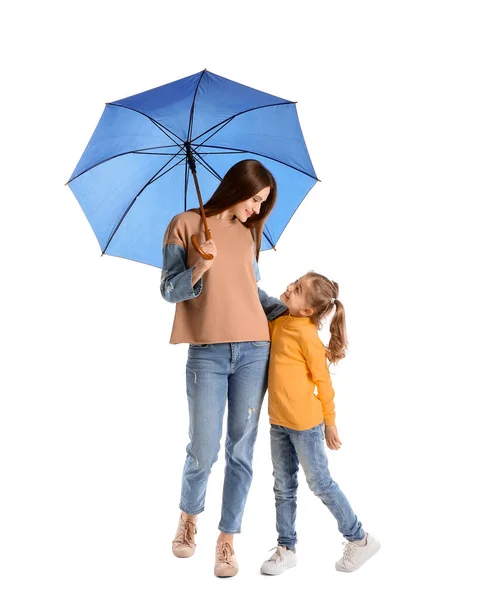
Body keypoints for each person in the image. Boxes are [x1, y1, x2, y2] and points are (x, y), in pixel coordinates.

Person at [160, 159, 287, 578]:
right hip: (208, 353)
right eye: (255, 199)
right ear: (238, 188)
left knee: (241, 451)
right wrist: (200, 266)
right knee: (204, 447)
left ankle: (227, 539)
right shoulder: (183, 224)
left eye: (262, 203)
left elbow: (249, 289)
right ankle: (188, 519)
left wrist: (289, 310)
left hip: (255, 349)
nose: (257, 209)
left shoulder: (250, 234)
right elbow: (167, 289)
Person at [260, 272, 380, 575]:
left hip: (305, 425)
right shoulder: (281, 320)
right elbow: (257, 300)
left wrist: (330, 422)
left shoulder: (307, 337)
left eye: (297, 289)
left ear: (307, 310)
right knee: (282, 486)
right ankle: (286, 548)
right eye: (294, 282)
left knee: (320, 483)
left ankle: (360, 539)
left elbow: (323, 382)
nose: (289, 287)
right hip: (278, 422)